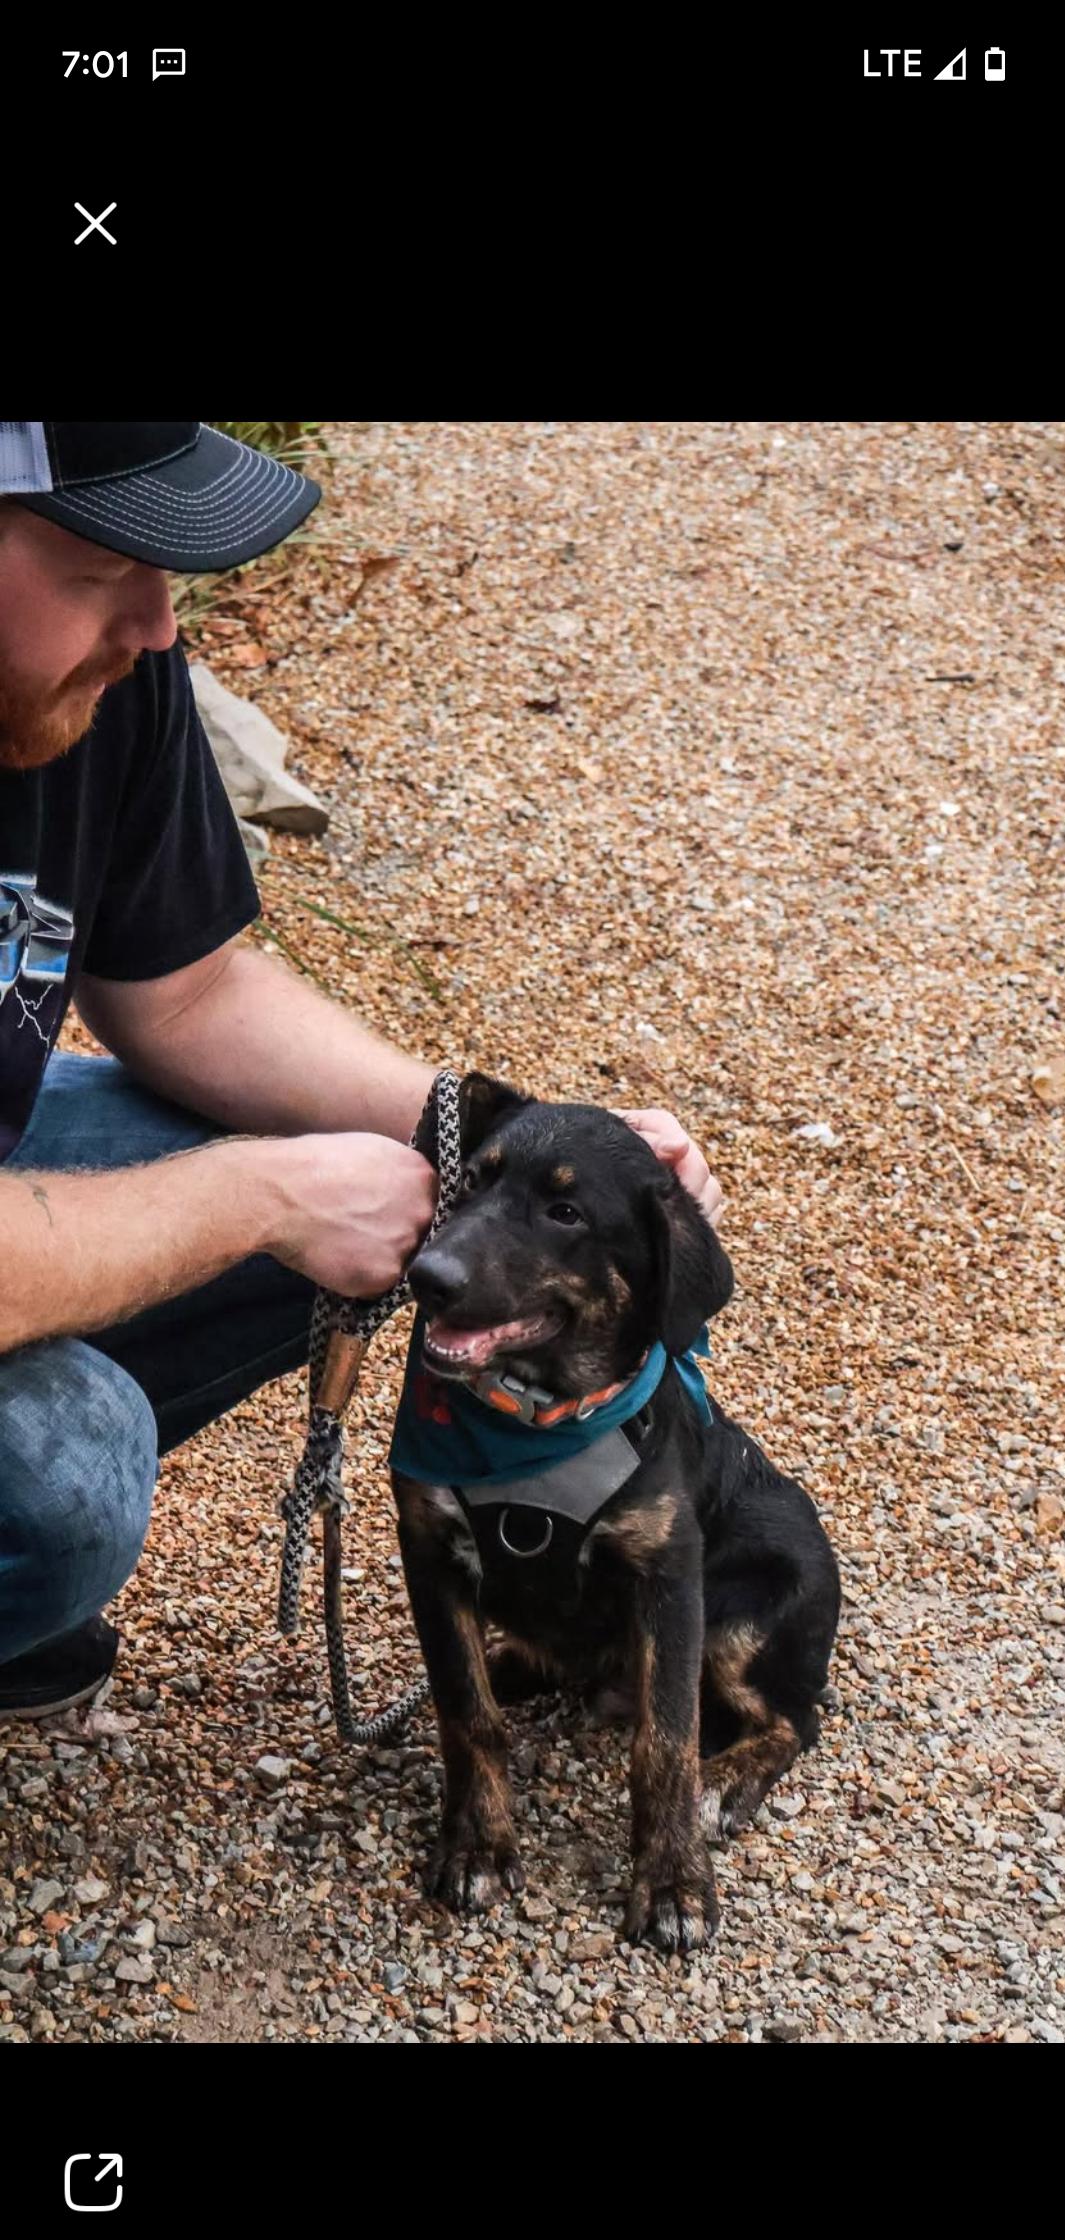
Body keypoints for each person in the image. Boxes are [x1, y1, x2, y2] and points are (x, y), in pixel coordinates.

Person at [0, 421, 723, 1722]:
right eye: (107, 573)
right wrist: (261, 1198)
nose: (161, 629)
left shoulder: (92, 684)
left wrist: (480, 1137)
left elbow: (189, 988)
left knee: (407, 1192)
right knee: (68, 1476)